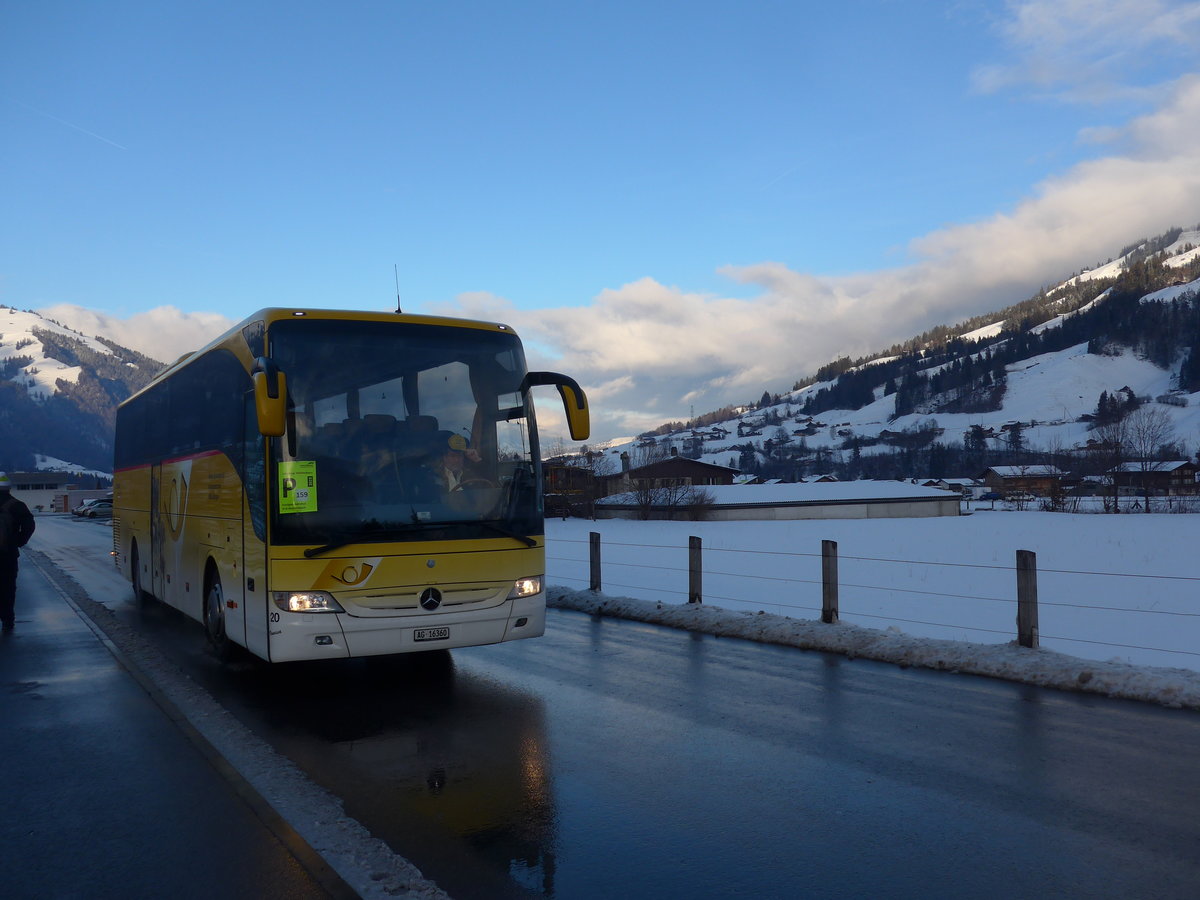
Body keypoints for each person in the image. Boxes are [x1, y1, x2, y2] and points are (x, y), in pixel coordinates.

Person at [0, 472, 37, 631]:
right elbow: (29, 526)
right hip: (7, 555)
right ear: (9, 488)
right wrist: (18, 542)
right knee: (8, 587)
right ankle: (8, 620)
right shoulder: (17, 505)